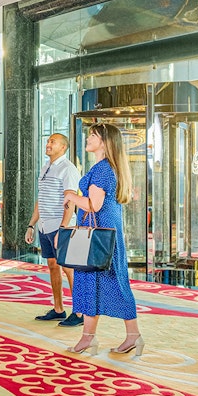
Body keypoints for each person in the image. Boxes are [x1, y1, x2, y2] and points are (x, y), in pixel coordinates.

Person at [61, 123, 144, 356]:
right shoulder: (108, 167)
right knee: (110, 282)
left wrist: (71, 196)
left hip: (97, 234)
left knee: (96, 281)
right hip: (107, 232)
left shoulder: (102, 170)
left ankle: (100, 338)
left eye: (93, 136)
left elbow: (93, 205)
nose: (88, 138)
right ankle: (125, 336)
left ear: (105, 142)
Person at [25, 133, 81, 325]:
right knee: (52, 265)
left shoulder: (68, 169)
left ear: (63, 147)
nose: (48, 144)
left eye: (52, 142)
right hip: (45, 225)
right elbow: (41, 199)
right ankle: (58, 309)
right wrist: (31, 225)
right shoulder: (46, 167)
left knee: (68, 268)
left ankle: (80, 313)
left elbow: (70, 201)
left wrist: (63, 229)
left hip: (60, 225)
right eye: (48, 141)